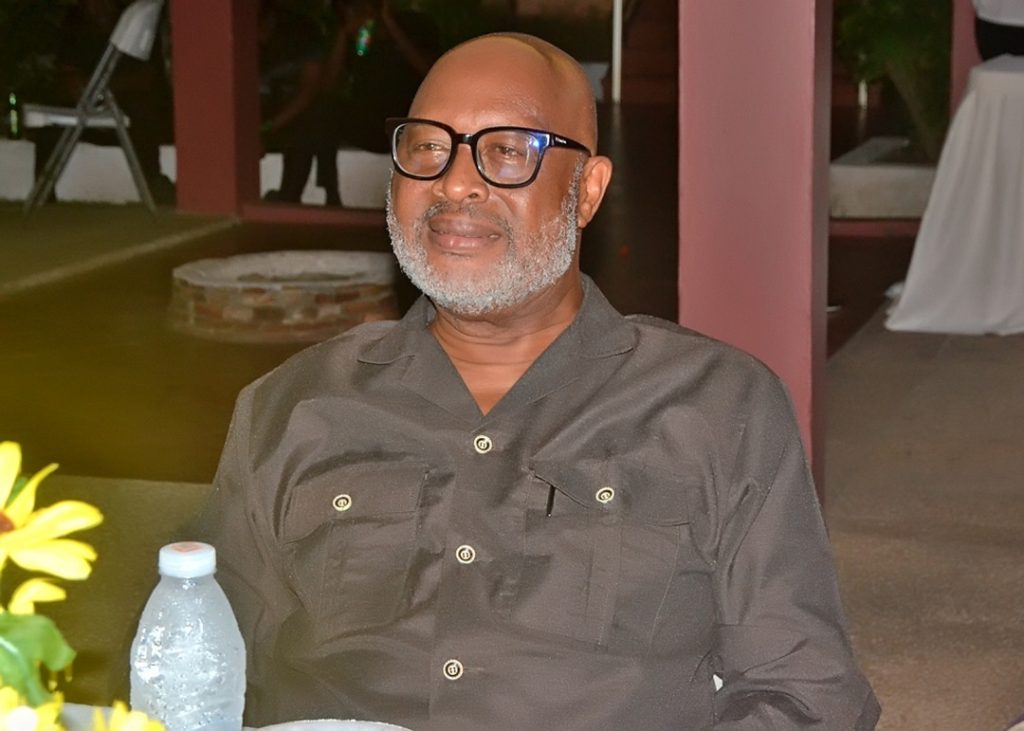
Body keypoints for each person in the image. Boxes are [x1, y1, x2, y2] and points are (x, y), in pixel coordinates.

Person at [198, 33, 880, 730]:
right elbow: (200, 671)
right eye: (428, 147)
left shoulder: (715, 404)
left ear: (587, 191)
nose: (454, 183)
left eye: (506, 151)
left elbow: (808, 696)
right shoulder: (292, 405)